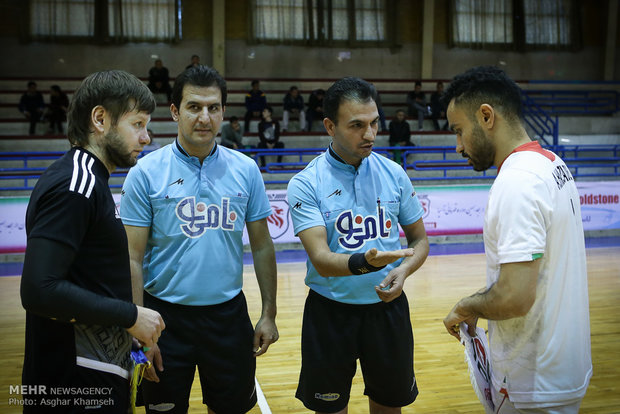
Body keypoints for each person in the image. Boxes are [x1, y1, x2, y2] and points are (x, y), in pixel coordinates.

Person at [120, 65, 279, 414]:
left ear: (223, 111)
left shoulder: (246, 169)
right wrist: (138, 325)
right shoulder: (145, 173)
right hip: (164, 319)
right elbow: (131, 257)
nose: (204, 117)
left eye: (214, 107)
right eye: (194, 106)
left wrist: (269, 312)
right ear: (175, 111)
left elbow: (263, 245)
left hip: (228, 318)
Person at [442, 66, 592, 413]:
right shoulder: (553, 164)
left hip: (533, 383)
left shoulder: (518, 182)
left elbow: (514, 297)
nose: (458, 146)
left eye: (460, 131)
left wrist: (467, 306)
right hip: (562, 371)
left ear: (486, 116)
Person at [20, 70, 165, 413]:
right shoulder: (76, 184)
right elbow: (39, 289)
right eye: (138, 124)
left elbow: (88, 282)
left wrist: (124, 332)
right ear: (100, 119)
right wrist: (130, 315)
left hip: (90, 376)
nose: (146, 138)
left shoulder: (86, 181)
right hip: (73, 384)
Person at [287, 77, 429, 414]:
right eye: (356, 125)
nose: (369, 134)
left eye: (374, 123)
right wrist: (367, 263)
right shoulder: (306, 184)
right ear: (329, 127)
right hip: (330, 314)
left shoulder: (394, 173)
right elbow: (321, 260)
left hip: (388, 310)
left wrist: (404, 271)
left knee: (388, 407)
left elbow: (420, 240)